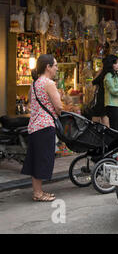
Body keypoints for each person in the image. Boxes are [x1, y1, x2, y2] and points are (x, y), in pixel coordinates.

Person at [21, 54, 62, 202]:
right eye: (55, 65)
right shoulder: (49, 83)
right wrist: (58, 111)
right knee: (42, 159)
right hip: (45, 126)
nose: (57, 68)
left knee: (35, 159)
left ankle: (38, 191)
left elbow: (30, 102)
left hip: (34, 126)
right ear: (48, 67)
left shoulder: (35, 83)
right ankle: (38, 193)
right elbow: (59, 106)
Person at [91, 58, 109, 127]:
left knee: (98, 117)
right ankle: (106, 134)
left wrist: (99, 71)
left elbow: (94, 81)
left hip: (101, 97)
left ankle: (94, 133)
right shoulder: (110, 73)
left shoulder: (103, 73)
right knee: (104, 117)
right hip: (106, 98)